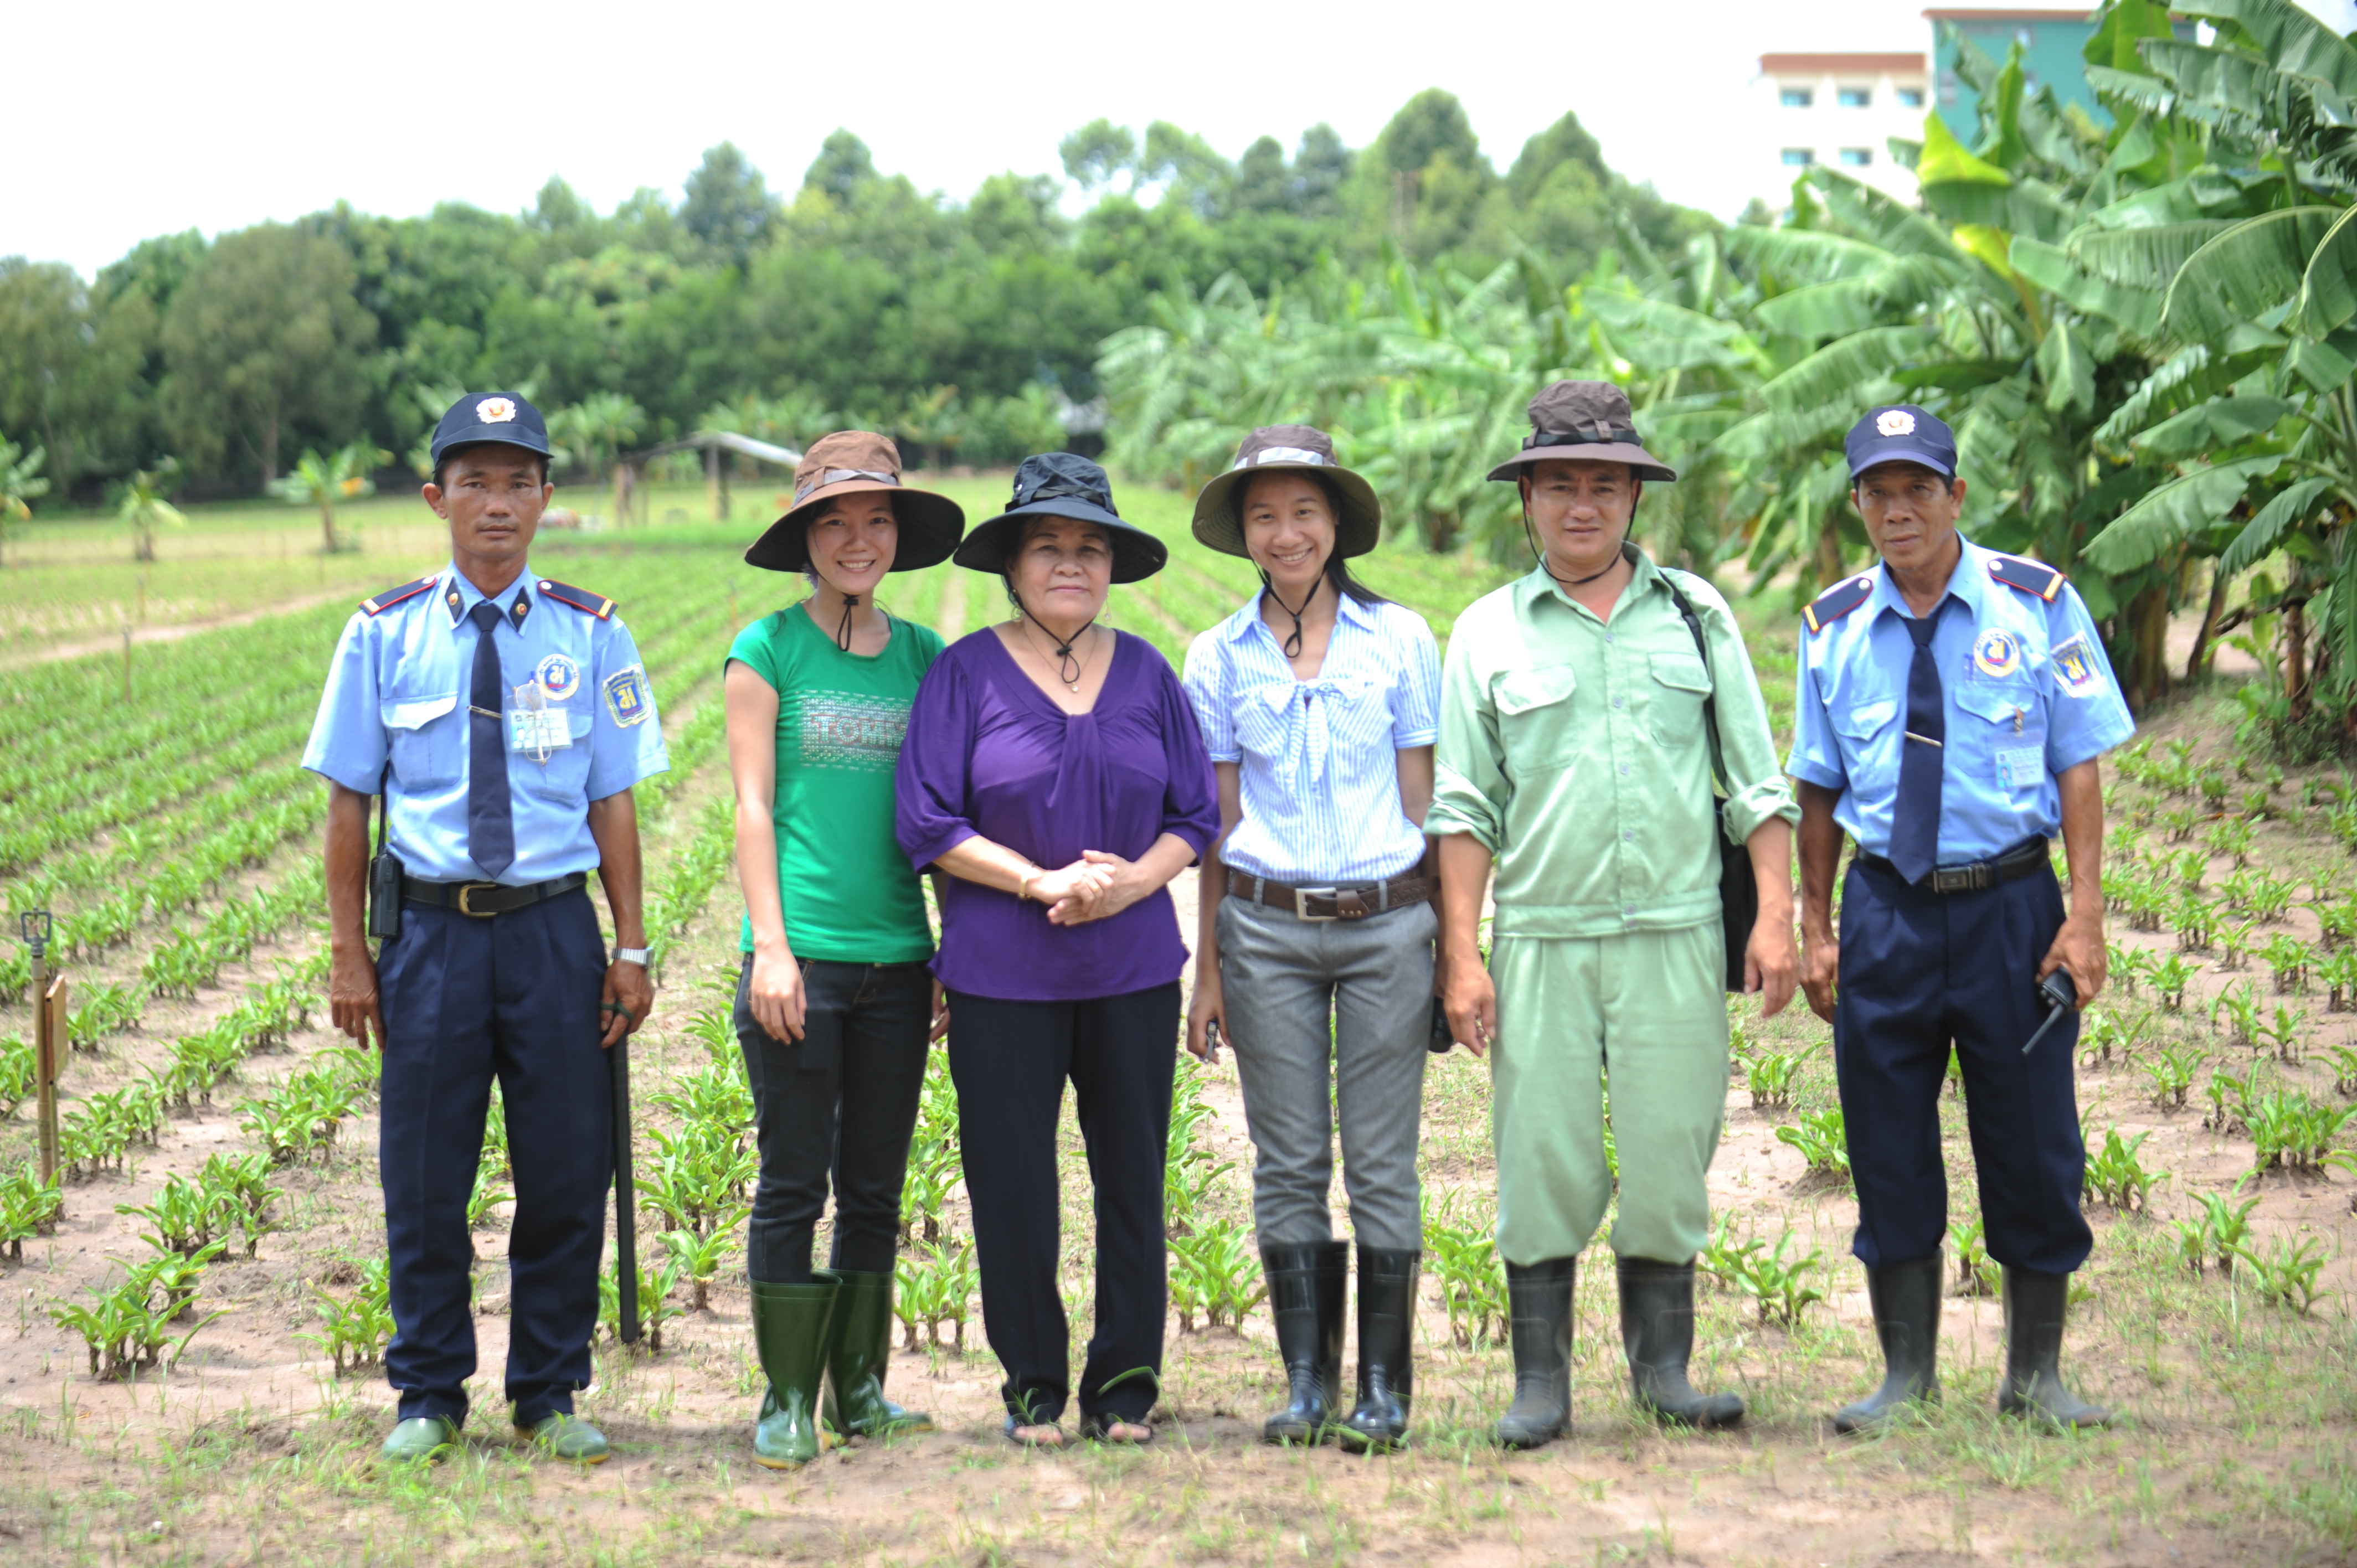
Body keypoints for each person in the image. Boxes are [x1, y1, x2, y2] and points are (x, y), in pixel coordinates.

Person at [1427, 380, 1799, 1448]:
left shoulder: (1698, 614)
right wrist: (1465, 956)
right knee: (1541, 1155)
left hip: (1679, 932)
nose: (1581, 505)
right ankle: (1540, 1384)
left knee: (1672, 1148)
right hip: (1542, 935)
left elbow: (1756, 785)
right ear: (1528, 500)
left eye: (1604, 485)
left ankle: (1666, 1373)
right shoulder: (1488, 631)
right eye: (1559, 486)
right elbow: (1463, 809)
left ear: (1636, 500)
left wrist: (1775, 916)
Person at [305, 392, 670, 1465]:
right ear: (436, 498)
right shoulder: (382, 635)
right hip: (429, 939)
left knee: (567, 1169)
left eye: (519, 482)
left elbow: (613, 803)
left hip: (554, 934)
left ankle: (547, 1389)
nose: (498, 504)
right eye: (475, 481)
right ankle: (427, 1393)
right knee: (423, 1175)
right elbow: (346, 807)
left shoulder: (592, 633)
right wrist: (349, 954)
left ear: (548, 499)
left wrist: (632, 945)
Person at [1790, 406, 2132, 1433]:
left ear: (1956, 497)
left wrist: (2085, 916)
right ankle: (1907, 1378)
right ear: (1858, 505)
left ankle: (2037, 1377)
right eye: (1877, 494)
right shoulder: (1832, 627)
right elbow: (1815, 790)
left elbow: (2078, 763)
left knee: (2033, 1140)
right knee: (1886, 1137)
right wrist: (1816, 927)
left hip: (2012, 913)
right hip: (1887, 913)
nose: (1898, 512)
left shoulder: (2039, 606)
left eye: (1918, 491)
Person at [896, 453, 1220, 1448]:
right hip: (1001, 972)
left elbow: (1195, 813)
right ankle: (1033, 1383)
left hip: (1130, 969)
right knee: (1011, 1182)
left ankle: (1125, 1384)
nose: (1071, 564)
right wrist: (1037, 881)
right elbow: (927, 820)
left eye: (1090, 547)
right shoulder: (964, 673)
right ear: (1014, 564)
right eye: (1049, 547)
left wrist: (1133, 880)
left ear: (1113, 563)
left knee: (1133, 1176)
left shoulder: (1150, 674)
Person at [1179, 425, 1440, 1452]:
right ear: (1243, 535)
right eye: (1263, 516)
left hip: (1386, 925)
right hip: (1265, 930)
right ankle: (1304, 1384)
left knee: (1383, 1161)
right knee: (1286, 1159)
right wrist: (1210, 968)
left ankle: (1384, 1387)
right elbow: (1217, 826)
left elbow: (1428, 803)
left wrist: (1456, 943)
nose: (1285, 534)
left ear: (1337, 524)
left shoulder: (1403, 641)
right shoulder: (1216, 656)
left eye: (1303, 513)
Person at [725, 431, 965, 1469]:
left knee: (875, 1184)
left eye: (875, 521)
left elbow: (947, 817)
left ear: (898, 537)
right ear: (805, 537)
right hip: (804, 958)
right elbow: (750, 806)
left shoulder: (926, 661)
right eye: (835, 521)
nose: (857, 540)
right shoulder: (766, 649)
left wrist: (951, 951)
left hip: (899, 963)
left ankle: (861, 1388)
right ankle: (787, 1397)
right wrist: (770, 947)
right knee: (791, 1179)